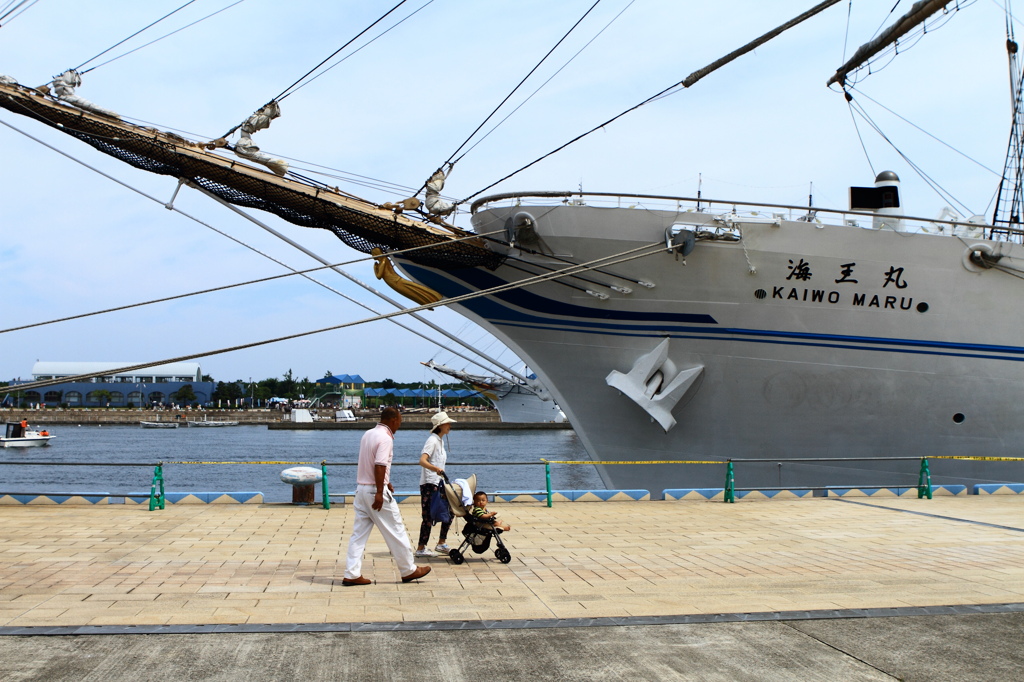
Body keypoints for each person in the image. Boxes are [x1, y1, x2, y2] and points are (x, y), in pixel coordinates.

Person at [342, 406, 431, 586]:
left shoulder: (368, 434)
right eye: (399, 421)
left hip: (361, 490)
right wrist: (381, 491)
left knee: (358, 535)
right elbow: (380, 464)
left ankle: (351, 573)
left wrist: (385, 481)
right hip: (375, 491)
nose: (399, 425)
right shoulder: (386, 438)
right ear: (393, 420)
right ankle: (408, 569)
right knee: (396, 529)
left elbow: (370, 463)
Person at [414, 411, 455, 557]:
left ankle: (441, 543)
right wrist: (436, 469)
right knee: (428, 517)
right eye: (448, 423)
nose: (450, 426)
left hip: (439, 482)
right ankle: (421, 548)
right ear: (441, 425)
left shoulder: (440, 440)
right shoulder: (432, 440)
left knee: (450, 511)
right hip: (430, 483)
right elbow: (422, 460)